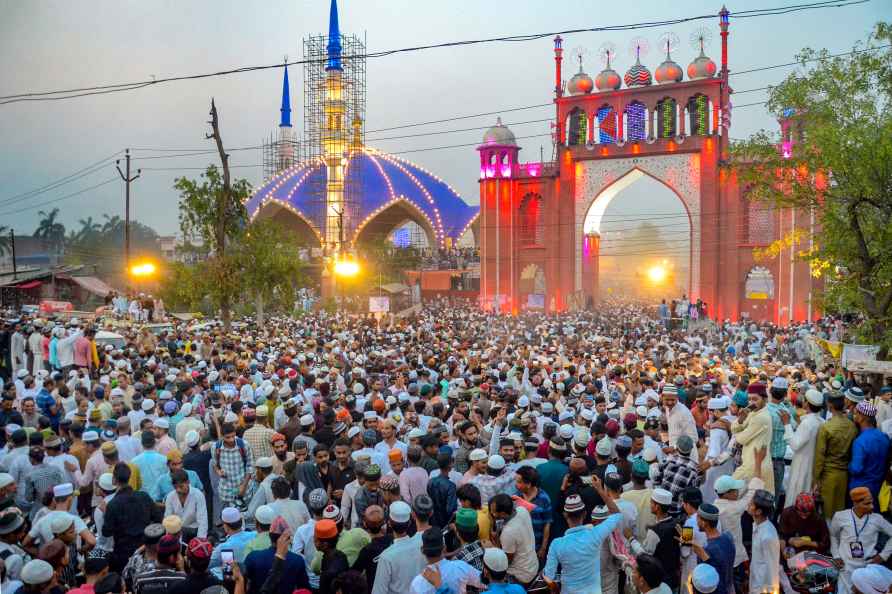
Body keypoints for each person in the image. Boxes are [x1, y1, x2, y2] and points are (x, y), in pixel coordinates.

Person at [830, 487, 892, 594]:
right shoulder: (840, 516)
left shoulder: (877, 519)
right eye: (867, 504)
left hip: (867, 567)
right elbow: (833, 536)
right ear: (855, 503)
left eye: (871, 503)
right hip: (845, 566)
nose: (872, 506)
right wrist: (836, 555)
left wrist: (883, 556)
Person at [103, 463, 161, 573]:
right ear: (129, 477)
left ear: (114, 480)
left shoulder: (112, 505)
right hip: (145, 550)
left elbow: (107, 532)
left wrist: (106, 513)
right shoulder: (144, 496)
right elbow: (158, 518)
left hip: (122, 555)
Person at [814, 395, 858, 520]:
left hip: (828, 475)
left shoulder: (826, 427)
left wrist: (816, 479)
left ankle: (828, 538)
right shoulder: (852, 426)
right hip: (844, 474)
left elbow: (819, 456)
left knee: (827, 513)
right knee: (840, 511)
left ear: (830, 406)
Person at [781, 389, 824, 509]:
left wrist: (786, 424)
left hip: (802, 465)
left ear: (806, 404)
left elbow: (794, 445)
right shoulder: (821, 421)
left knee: (796, 495)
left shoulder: (808, 423)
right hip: (813, 464)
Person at [372, 501, 425, 594]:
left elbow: (379, 591)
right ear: (409, 523)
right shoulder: (421, 544)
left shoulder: (386, 557)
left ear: (389, 523)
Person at [244, 518, 308, 594]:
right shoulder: (297, 560)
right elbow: (304, 588)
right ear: (288, 539)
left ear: (270, 537)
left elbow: (245, 583)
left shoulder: (253, 557)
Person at [409, 527, 482, 594]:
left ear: (422, 550)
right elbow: (481, 581)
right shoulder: (461, 566)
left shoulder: (417, 584)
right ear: (444, 547)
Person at [489, 493, 538, 588]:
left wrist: (495, 541)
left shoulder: (508, 532)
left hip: (520, 575)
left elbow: (506, 561)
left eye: (493, 511)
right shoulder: (522, 510)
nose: (491, 513)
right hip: (532, 565)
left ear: (503, 513)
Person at [848, 401, 890, 503]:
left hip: (860, 489)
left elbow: (856, 469)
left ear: (862, 417)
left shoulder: (860, 441)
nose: (855, 415)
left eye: (857, 413)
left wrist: (848, 465)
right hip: (878, 487)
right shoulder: (884, 437)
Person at [748, 490, 780, 594]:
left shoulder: (768, 536)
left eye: (751, 504)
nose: (748, 504)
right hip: (754, 581)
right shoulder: (756, 524)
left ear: (758, 511)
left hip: (761, 588)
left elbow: (772, 569)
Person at [315, 519, 349, 594]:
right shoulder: (342, 555)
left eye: (316, 539)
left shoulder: (327, 575)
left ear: (325, 545)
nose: (313, 541)